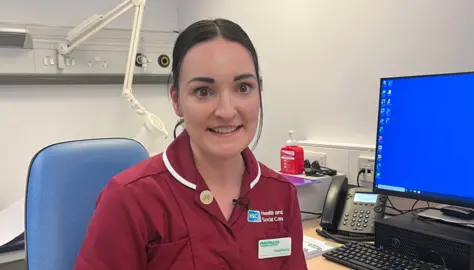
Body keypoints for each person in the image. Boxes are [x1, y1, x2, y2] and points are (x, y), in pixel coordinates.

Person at [73, 18, 307, 270]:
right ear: (176, 99)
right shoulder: (129, 198)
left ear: (259, 91)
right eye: (204, 91)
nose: (227, 111)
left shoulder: (281, 194)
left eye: (243, 87)